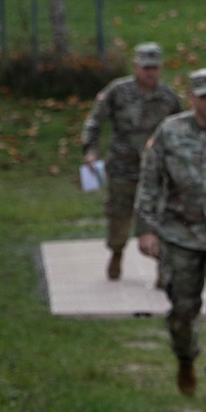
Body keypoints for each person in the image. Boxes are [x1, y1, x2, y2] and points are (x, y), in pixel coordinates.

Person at [135, 68, 206, 403]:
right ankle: (185, 358)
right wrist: (145, 229)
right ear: (193, 98)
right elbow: (150, 182)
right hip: (179, 235)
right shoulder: (170, 133)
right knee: (183, 310)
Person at [81, 42, 181, 280]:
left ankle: (162, 267)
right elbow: (94, 121)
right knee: (119, 213)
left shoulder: (168, 97)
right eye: (145, 67)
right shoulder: (118, 91)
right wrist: (90, 150)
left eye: (154, 67)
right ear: (136, 66)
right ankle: (116, 252)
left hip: (157, 170)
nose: (150, 72)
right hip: (123, 166)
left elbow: (182, 130)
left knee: (160, 215)